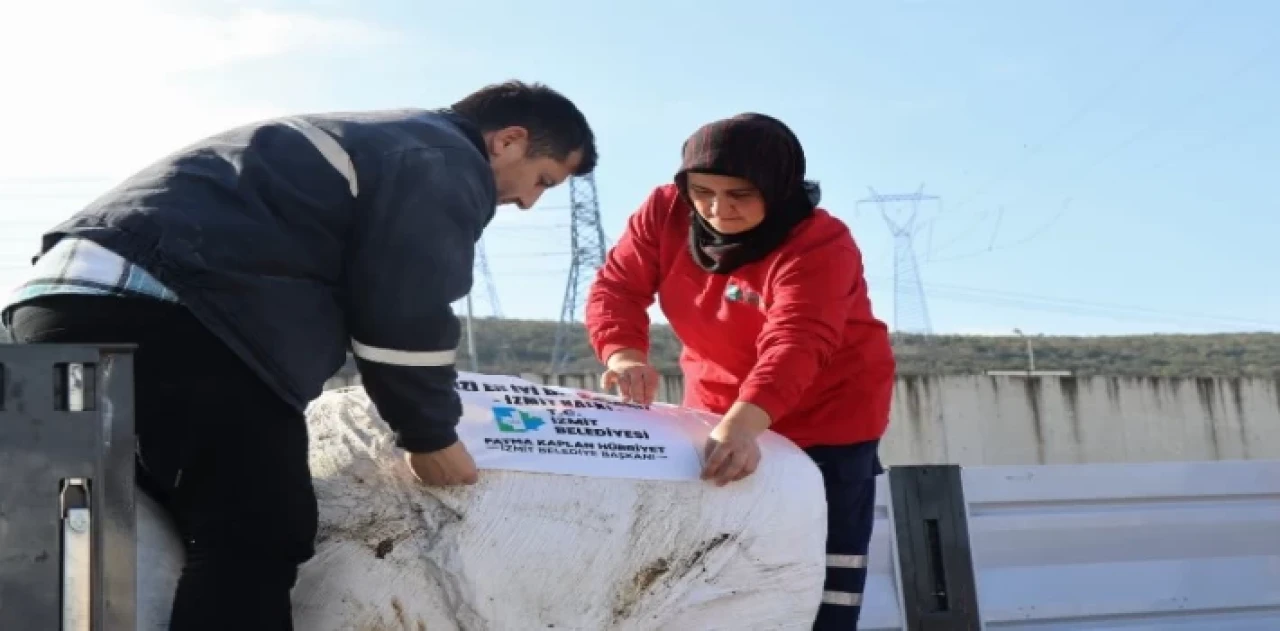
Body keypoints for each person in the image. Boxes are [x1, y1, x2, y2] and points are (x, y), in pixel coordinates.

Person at [2, 80, 598, 631]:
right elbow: (402, 308)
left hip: (54, 305)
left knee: (71, 544)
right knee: (257, 530)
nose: (528, 203)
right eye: (543, 179)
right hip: (176, 316)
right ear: (509, 140)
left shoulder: (369, 135)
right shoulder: (441, 157)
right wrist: (430, 439)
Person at [584, 113, 894, 630]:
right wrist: (623, 353)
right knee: (715, 566)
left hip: (828, 416)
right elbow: (617, 287)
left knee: (822, 571)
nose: (716, 209)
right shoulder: (664, 211)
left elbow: (797, 340)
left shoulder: (820, 242)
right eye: (701, 192)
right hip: (715, 412)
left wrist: (746, 425)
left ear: (778, 187)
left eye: (740, 195)